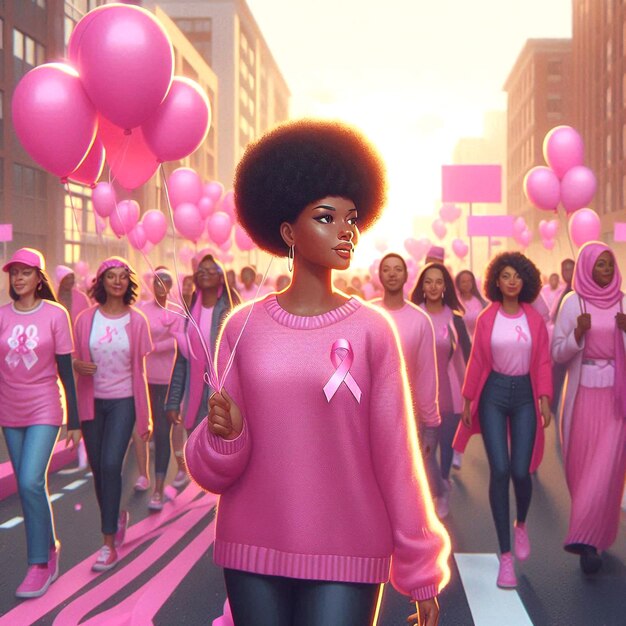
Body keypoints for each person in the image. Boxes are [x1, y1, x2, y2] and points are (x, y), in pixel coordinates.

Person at [184, 120, 450, 626]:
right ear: (287, 232)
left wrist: (419, 572)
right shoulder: (242, 328)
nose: (345, 231)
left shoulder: (374, 331)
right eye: (327, 218)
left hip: (350, 548)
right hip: (250, 548)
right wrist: (226, 436)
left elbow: (398, 456)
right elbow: (208, 467)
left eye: (351, 218)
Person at [454, 251, 552, 589]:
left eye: (517, 276)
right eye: (505, 275)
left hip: (525, 394)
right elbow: (478, 361)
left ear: (525, 282)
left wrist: (544, 399)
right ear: (496, 281)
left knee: (521, 471)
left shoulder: (534, 320)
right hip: (493, 393)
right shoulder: (486, 317)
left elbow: (542, 361)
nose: (511, 281)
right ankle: (505, 557)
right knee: (499, 469)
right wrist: (468, 400)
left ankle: (520, 523)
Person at [0, 248, 79, 598]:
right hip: (9, 410)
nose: (18, 279)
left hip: (45, 407)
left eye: (25, 272)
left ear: (38, 277)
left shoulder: (55, 315)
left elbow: (66, 371)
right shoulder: (2, 316)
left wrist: (75, 419)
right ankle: (50, 546)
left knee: (31, 480)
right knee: (29, 484)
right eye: (13, 273)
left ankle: (39, 564)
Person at [73, 257, 152, 572]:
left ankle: (107, 545)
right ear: (101, 282)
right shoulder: (84, 319)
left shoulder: (137, 321)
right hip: (92, 402)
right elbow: (73, 360)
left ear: (128, 283)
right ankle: (116, 516)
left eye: (122, 277)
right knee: (98, 470)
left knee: (110, 464)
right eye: (111, 276)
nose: (117, 281)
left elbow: (140, 371)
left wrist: (144, 417)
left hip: (123, 401)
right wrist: (78, 366)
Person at [552, 242, 626, 574]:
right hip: (581, 398)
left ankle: (584, 540)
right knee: (581, 472)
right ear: (587, 268)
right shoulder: (572, 302)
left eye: (610, 264)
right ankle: (595, 536)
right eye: (600, 265)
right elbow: (558, 353)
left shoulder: (624, 302)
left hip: (615, 400)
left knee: (606, 470)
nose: (606, 270)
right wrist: (577, 334)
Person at [373, 253, 441, 511]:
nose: (392, 274)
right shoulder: (368, 314)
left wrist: (431, 424)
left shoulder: (420, 321)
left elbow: (427, 376)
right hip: (371, 413)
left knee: (405, 484)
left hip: (408, 415)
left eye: (397, 269)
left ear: (406, 275)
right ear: (379, 276)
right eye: (386, 269)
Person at [411, 262, 470, 519]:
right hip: (417, 393)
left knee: (445, 447)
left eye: (438, 282)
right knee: (423, 451)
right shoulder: (413, 314)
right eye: (428, 281)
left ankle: (442, 487)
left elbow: (466, 359)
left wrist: (469, 396)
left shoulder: (455, 319)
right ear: (422, 286)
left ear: (445, 287)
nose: (433, 287)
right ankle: (436, 489)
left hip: (450, 393)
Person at [166, 254, 233, 435]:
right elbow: (182, 360)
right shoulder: (190, 315)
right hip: (194, 395)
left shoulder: (231, 311)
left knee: (220, 450)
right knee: (196, 449)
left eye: (212, 270)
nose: (205, 273)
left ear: (221, 277)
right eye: (201, 270)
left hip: (224, 396)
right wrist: (173, 401)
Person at [137, 268, 179, 510]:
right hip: (144, 379)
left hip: (168, 379)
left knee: (163, 433)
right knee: (144, 431)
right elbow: (137, 337)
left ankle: (158, 489)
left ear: (170, 285)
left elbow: (179, 340)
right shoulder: (143, 310)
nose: (159, 286)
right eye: (155, 282)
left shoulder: (176, 310)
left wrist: (154, 345)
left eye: (164, 282)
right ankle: (143, 474)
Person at [550, 258, 575, 416]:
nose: (568, 273)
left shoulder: (576, 294)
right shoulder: (563, 292)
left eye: (570, 269)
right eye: (565, 269)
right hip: (561, 345)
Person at [455, 269, 487, 339]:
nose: (467, 284)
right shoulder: (455, 303)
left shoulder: (482, 302)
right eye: (463, 282)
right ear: (458, 284)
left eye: (469, 281)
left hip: (480, 339)